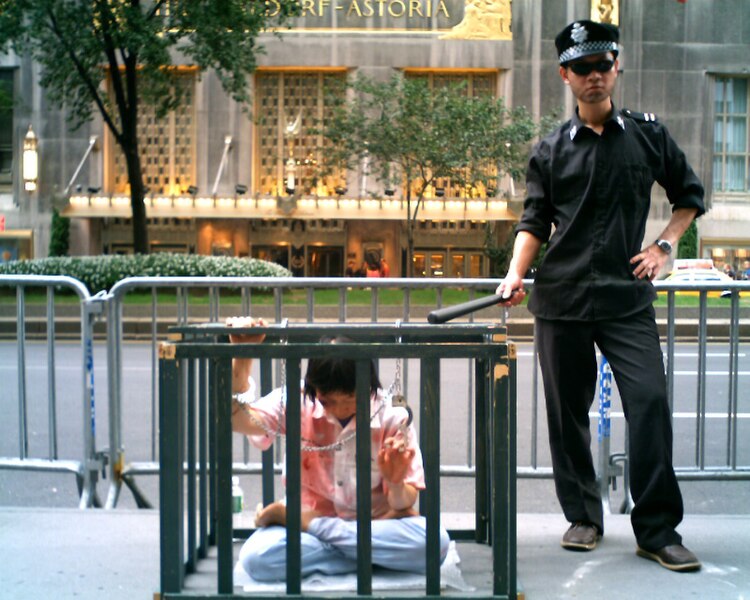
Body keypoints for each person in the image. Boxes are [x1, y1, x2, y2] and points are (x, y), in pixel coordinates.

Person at [496, 20, 705, 572]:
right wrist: (515, 273)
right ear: (565, 75)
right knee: (567, 416)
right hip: (561, 298)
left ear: (618, 67)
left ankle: (657, 530)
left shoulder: (648, 135)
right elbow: (534, 221)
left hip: (626, 298)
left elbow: (689, 196)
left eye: (603, 64)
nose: (595, 76)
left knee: (651, 404)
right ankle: (584, 517)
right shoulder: (549, 150)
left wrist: (663, 245)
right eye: (583, 68)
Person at [226, 316, 450, 582]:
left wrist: (396, 481)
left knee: (435, 543)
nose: (341, 410)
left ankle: (305, 523)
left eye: (351, 400)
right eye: (328, 401)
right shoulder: (296, 401)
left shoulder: (391, 416)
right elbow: (238, 420)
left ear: (369, 388)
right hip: (366, 532)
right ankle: (369, 556)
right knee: (258, 558)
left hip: (361, 521)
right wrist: (242, 358)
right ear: (313, 390)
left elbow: (402, 503)